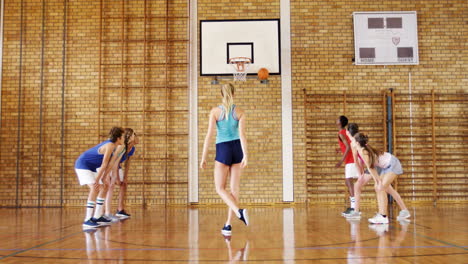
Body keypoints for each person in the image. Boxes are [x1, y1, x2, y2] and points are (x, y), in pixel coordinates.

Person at [200, 83, 249, 235]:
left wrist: (203, 157)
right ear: (233, 94)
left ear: (221, 94)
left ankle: (238, 212)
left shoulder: (215, 112)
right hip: (237, 149)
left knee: (220, 188)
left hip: (223, 148)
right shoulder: (240, 112)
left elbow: (209, 135)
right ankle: (228, 225)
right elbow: (242, 135)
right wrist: (246, 154)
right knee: (234, 190)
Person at [344, 124, 410, 222]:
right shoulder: (358, 145)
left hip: (392, 164)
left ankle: (383, 216)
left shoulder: (363, 152)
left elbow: (371, 168)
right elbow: (359, 161)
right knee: (382, 188)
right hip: (383, 166)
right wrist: (363, 176)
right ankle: (403, 211)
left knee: (380, 187)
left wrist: (377, 180)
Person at [75, 127, 126, 228]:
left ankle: (97, 216)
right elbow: (104, 164)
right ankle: (87, 219)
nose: (124, 138)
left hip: (92, 167)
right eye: (123, 136)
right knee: (95, 188)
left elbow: (110, 165)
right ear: (118, 138)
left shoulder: (116, 147)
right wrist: (98, 180)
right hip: (83, 165)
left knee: (104, 187)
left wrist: (104, 178)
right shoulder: (110, 145)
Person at [105, 128, 138, 221]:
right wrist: (116, 177)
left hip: (116, 166)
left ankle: (120, 209)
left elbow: (127, 163)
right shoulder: (121, 146)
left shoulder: (132, 148)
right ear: (129, 136)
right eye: (134, 134)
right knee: (109, 186)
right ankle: (106, 212)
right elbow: (115, 162)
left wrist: (125, 177)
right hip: (109, 164)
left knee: (123, 185)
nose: (136, 137)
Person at [336, 116, 358, 216]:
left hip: (350, 160)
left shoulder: (341, 133)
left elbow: (348, 147)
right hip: (353, 158)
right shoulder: (345, 131)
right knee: (349, 182)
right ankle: (354, 206)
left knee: (349, 182)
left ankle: (354, 208)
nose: (336, 120)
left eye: (337, 119)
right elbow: (347, 145)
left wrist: (341, 160)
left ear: (340, 123)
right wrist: (340, 150)